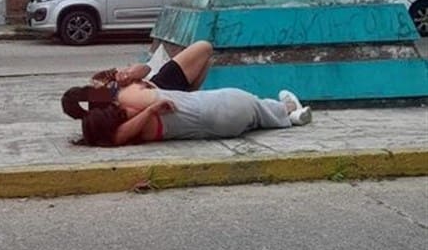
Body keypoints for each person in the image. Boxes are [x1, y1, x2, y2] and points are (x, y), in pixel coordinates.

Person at [61, 83, 312, 147]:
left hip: (218, 130)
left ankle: (287, 116)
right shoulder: (129, 98)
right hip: (218, 103)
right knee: (256, 106)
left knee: (254, 119)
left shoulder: (136, 132)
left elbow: (117, 137)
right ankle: (288, 110)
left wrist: (150, 112)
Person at [88, 40, 213, 95]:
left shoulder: (105, 81)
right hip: (160, 86)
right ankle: (187, 95)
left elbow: (146, 69)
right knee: (204, 47)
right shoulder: (108, 91)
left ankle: (188, 95)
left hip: (156, 85)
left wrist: (128, 75)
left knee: (206, 60)